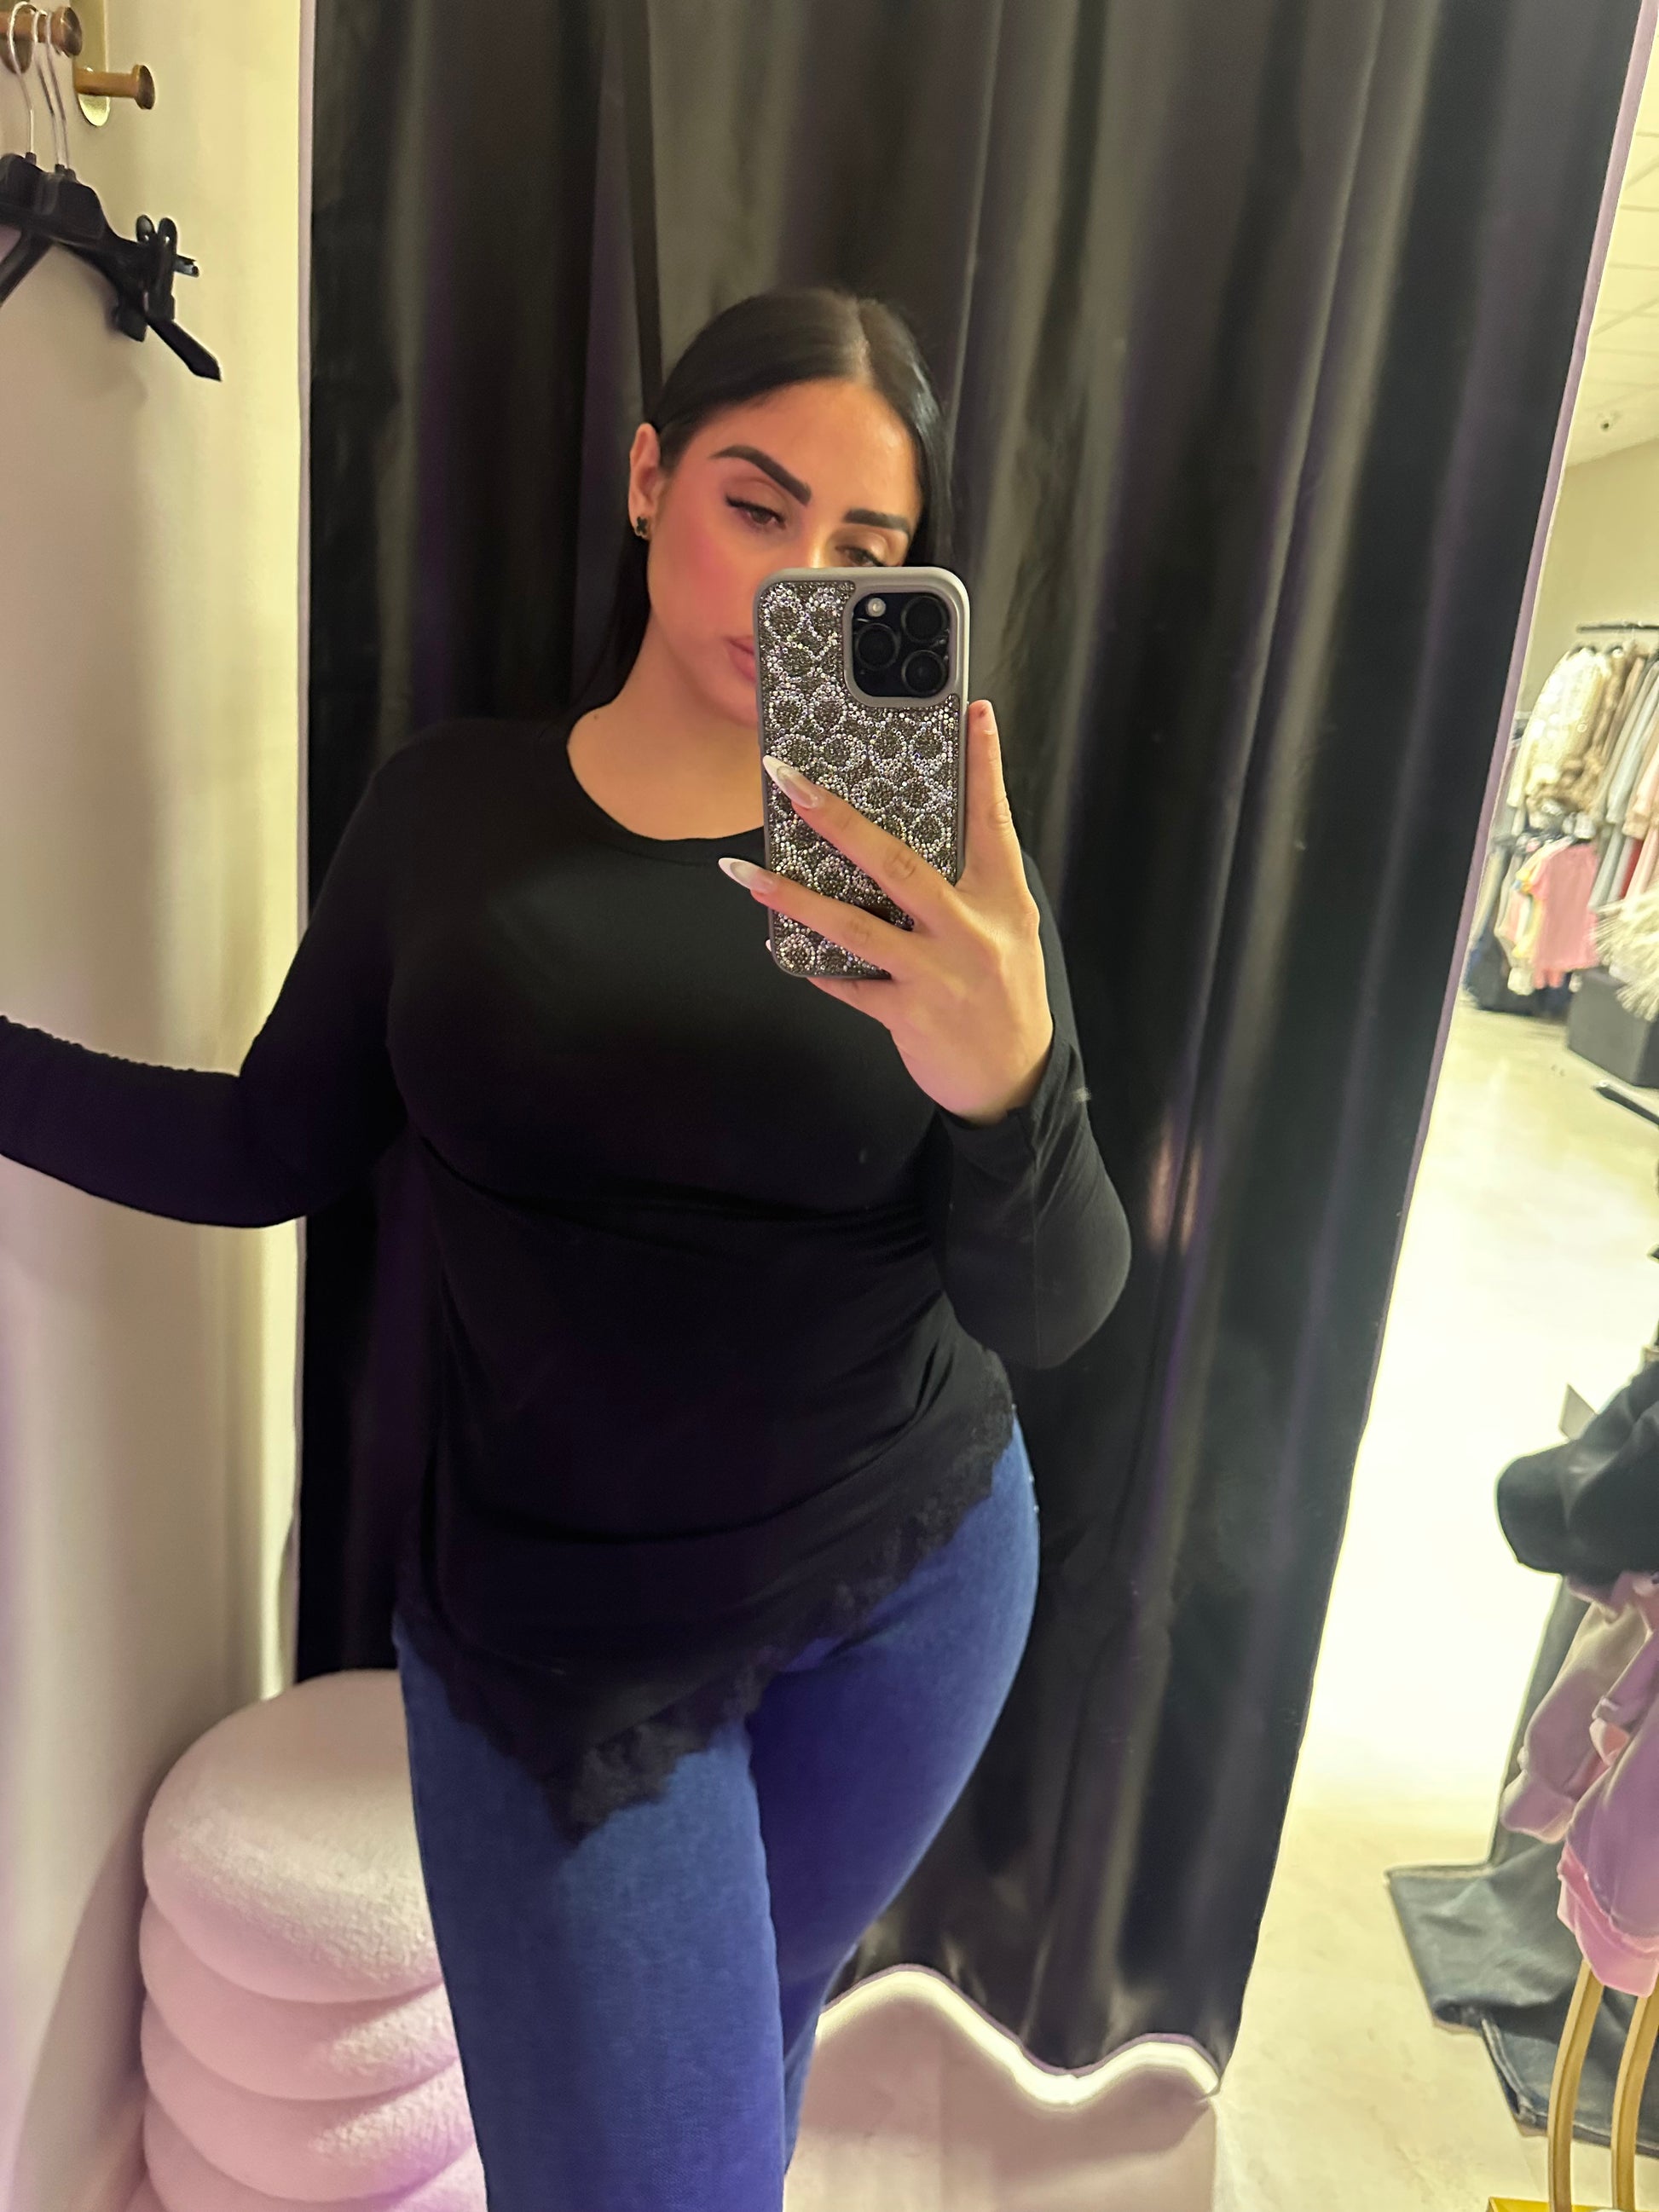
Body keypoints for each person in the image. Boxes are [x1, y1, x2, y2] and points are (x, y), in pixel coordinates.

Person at [0, 285, 1130, 2210]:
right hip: (563, 1658)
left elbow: (1052, 1300)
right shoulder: (450, 812)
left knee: (756, 2045)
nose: (796, 582)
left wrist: (1010, 1078)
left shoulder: (926, 867)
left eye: (865, 553)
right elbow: (266, 1147)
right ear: (646, 477)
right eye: (755, 505)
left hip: (913, 1579)